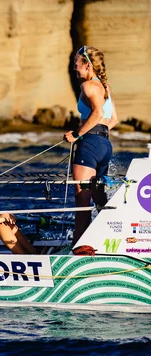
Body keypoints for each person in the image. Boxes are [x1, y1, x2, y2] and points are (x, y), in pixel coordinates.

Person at [64, 45, 118, 245]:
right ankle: (110, 240)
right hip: (104, 144)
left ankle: (80, 248)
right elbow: (113, 120)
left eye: (76, 64)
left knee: (82, 201)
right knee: (99, 199)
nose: (74, 68)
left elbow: (96, 112)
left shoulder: (88, 86)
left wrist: (78, 134)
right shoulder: (105, 87)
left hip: (91, 144)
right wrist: (98, 137)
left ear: (87, 64)